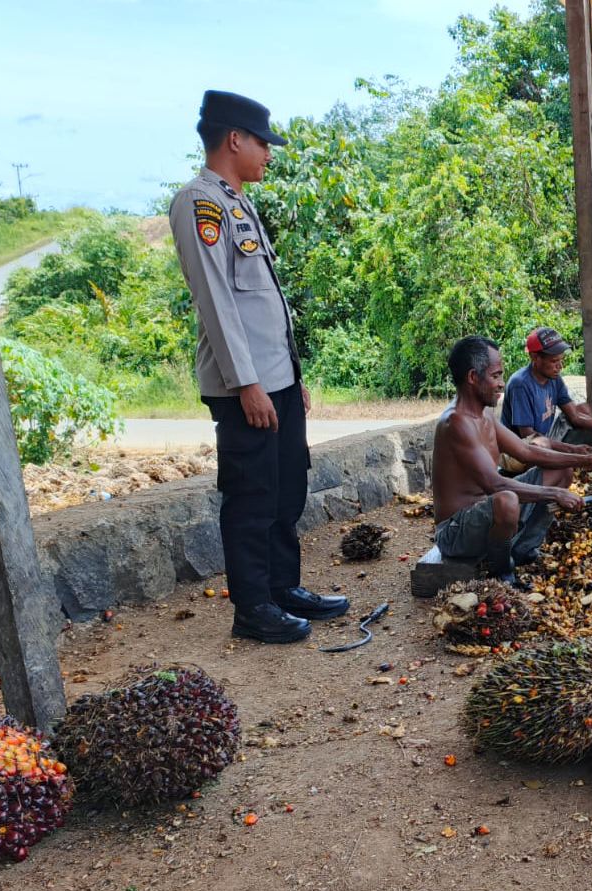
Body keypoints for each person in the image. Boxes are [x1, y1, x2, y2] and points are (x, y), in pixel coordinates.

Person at [170, 90, 349, 645]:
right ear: (234, 140)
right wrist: (247, 383)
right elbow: (218, 302)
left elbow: (264, 303)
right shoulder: (199, 204)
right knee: (251, 498)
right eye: (263, 143)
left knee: (286, 489)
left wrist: (293, 378)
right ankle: (253, 608)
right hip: (245, 387)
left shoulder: (239, 202)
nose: (269, 154)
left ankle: (282, 588)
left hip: (277, 382)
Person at [433, 336, 592, 580]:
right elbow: (495, 485)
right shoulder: (456, 422)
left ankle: (523, 550)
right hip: (455, 533)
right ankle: (502, 573)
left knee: (561, 472)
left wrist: (585, 459)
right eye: (496, 376)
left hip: (489, 514)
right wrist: (555, 494)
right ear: (473, 378)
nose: (501, 384)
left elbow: (526, 450)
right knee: (506, 500)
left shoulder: (483, 415)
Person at [501, 326, 592, 448]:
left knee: (583, 409)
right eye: (554, 361)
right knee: (557, 456)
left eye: (561, 360)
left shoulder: (553, 378)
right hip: (522, 448)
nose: (560, 366)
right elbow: (528, 436)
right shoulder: (520, 385)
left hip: (546, 436)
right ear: (535, 357)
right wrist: (571, 451)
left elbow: (575, 416)